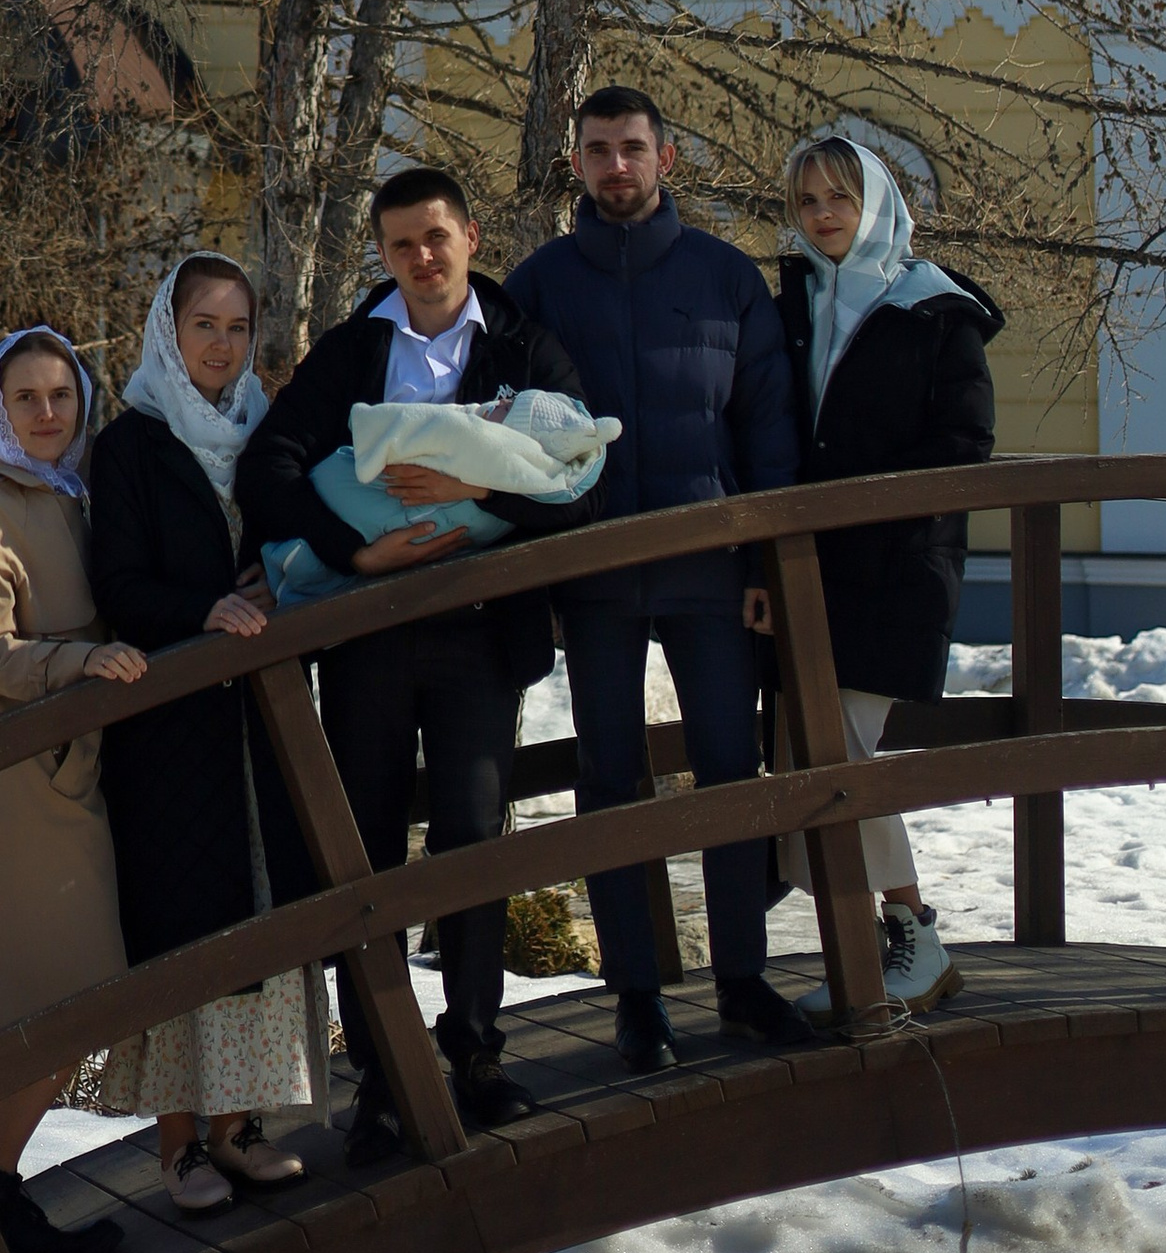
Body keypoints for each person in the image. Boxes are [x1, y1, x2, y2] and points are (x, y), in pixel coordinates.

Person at [239, 163, 590, 1165]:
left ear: (471, 238)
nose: (421, 258)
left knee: (475, 842)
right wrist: (353, 553)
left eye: (436, 238)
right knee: (370, 856)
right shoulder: (354, 351)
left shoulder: (524, 346)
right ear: (383, 255)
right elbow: (264, 467)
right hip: (369, 636)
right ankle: (386, 1079)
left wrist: (469, 480)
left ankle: (476, 1051)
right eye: (400, 245)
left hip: (482, 633)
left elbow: (583, 487)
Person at [506, 86, 815, 1073]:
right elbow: (508, 434)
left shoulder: (725, 280)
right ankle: (634, 993)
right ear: (577, 164)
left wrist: (766, 558)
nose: (616, 166)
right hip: (591, 574)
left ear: (664, 158)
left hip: (710, 567)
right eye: (596, 150)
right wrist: (537, 572)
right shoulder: (540, 285)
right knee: (608, 781)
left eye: (631, 148)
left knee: (730, 768)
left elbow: (766, 429)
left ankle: (740, 975)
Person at [88, 256, 329, 1212]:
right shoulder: (133, 446)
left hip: (259, 721)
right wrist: (209, 608)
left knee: (261, 908)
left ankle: (240, 1127)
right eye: (203, 325)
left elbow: (300, 543)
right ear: (167, 330)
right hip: (175, 730)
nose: (222, 345)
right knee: (184, 919)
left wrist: (284, 582)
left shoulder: (269, 435)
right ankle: (179, 1143)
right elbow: (121, 588)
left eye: (237, 327)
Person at [0, 329, 146, 1253]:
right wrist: (82, 659)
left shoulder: (73, 490)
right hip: (23, 788)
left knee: (25, 1014)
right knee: (70, 1008)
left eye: (62, 395)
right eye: (27, 398)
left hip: (67, 771)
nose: (48, 413)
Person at [769, 131, 1000, 1016]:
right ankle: (867, 951)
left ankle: (915, 934)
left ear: (878, 205)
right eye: (808, 203)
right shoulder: (791, 306)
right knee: (805, 756)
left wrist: (874, 523)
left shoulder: (934, 309)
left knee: (844, 758)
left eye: (840, 197)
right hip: (803, 571)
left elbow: (964, 444)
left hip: (896, 569)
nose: (825, 216)